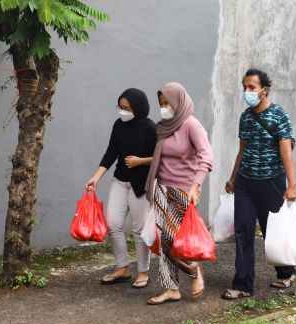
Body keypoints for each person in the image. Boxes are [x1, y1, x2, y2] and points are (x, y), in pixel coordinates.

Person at [222, 69, 296, 300]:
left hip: (271, 181)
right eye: (244, 87)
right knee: (243, 230)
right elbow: (242, 150)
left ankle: (286, 271)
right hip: (245, 181)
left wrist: (292, 184)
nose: (247, 91)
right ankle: (243, 284)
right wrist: (233, 177)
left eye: (252, 87)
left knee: (271, 230)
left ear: (265, 89)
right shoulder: (245, 117)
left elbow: (286, 150)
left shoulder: (279, 115)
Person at [144, 82, 213, 305]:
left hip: (183, 190)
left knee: (172, 240)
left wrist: (196, 185)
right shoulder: (164, 126)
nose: (164, 107)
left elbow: (206, 157)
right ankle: (171, 288)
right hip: (162, 188)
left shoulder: (192, 125)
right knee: (163, 243)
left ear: (179, 101)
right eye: (161, 103)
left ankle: (194, 272)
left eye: (168, 103)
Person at [86, 88, 156, 288]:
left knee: (140, 229)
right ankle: (123, 267)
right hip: (120, 180)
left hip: (141, 185)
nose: (122, 111)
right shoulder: (118, 125)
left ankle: (143, 271)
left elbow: (162, 157)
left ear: (138, 107)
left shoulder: (151, 128)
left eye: (127, 108)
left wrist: (140, 161)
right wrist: (96, 177)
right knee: (113, 224)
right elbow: (111, 152)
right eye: (120, 107)